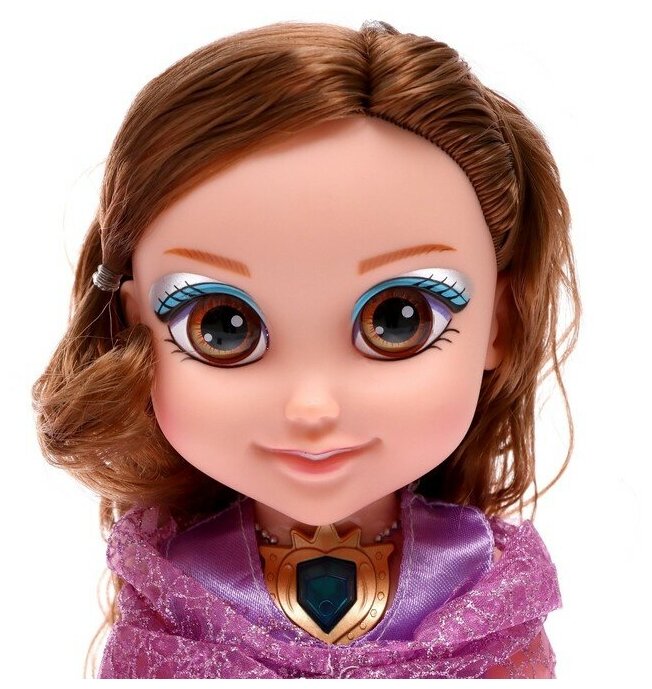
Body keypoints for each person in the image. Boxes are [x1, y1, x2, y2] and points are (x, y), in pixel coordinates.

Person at [32, 19, 580, 679]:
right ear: (136, 329)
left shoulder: (478, 579)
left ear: (499, 323)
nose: (312, 405)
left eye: (397, 320)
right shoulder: (180, 585)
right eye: (222, 327)